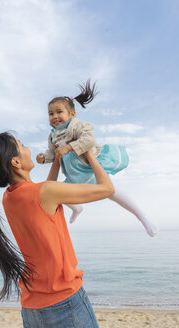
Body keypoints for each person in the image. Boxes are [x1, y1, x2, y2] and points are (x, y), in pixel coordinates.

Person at [0, 132, 114, 328]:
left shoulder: (10, 198)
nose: (28, 148)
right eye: (22, 145)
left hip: (32, 306)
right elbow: (107, 188)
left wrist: (56, 161)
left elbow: (44, 193)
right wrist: (88, 152)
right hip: (65, 302)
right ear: (15, 162)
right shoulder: (44, 192)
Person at [36, 80, 159, 237]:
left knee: (112, 192)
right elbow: (53, 153)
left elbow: (89, 141)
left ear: (72, 114)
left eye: (59, 112)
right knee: (58, 192)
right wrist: (44, 158)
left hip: (87, 167)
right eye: (51, 114)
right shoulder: (52, 136)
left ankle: (144, 218)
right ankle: (77, 208)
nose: (55, 116)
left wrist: (69, 147)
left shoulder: (78, 126)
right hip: (72, 173)